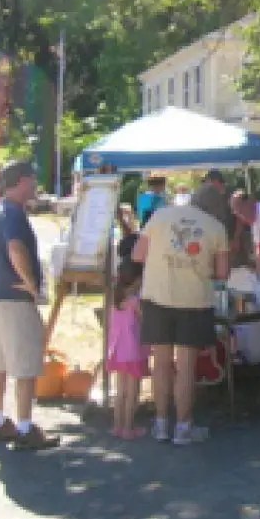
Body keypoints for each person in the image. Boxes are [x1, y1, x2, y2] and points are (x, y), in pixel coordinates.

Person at [132, 198, 229, 446]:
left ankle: (162, 423)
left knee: (161, 362)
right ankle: (184, 427)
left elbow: (137, 254)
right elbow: (222, 273)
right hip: (194, 301)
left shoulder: (160, 217)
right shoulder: (217, 227)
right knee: (186, 367)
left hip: (158, 296)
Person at [0, 160, 60, 450]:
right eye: (33, 180)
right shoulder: (13, 213)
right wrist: (30, 283)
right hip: (15, 300)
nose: (36, 186)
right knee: (25, 365)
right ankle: (26, 429)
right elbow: (16, 248)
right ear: (22, 181)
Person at [106, 260, 150, 439]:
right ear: (137, 280)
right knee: (133, 391)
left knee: (120, 391)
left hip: (117, 350)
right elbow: (144, 320)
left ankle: (117, 426)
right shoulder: (135, 301)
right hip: (133, 350)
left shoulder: (115, 301)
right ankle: (128, 427)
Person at [191, 169, 248, 266]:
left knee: (238, 266)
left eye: (207, 182)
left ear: (215, 181)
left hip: (234, 236)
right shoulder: (205, 196)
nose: (206, 186)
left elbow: (241, 218)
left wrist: (236, 238)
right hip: (216, 239)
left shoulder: (233, 194)